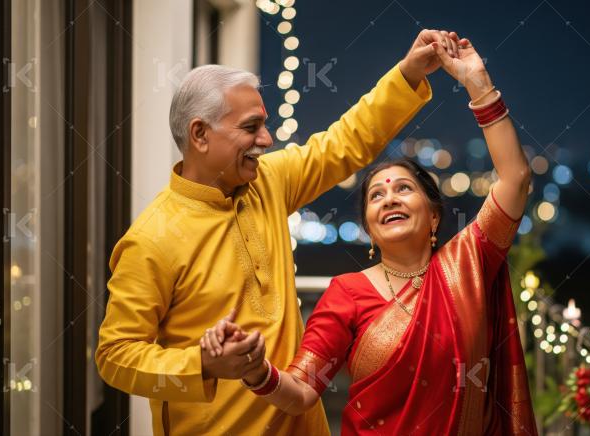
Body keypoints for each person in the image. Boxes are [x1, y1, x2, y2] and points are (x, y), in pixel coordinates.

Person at [95, 29, 466, 435]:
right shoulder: (152, 238)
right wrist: (202, 364)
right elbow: (115, 357)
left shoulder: (267, 181)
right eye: (251, 127)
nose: (266, 140)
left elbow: (346, 142)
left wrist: (408, 74)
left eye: (264, 125)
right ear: (200, 134)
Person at [204, 36, 538, 434]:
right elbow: (301, 392)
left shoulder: (467, 264)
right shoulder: (345, 294)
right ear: (369, 228)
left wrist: (477, 82)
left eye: (403, 188)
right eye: (376, 195)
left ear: (433, 217)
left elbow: (515, 178)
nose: (389, 199)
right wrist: (257, 372)